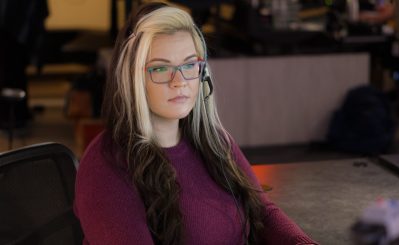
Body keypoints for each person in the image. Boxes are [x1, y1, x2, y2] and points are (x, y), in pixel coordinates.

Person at [74, 2, 318, 245]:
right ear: (133, 78)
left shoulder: (215, 141)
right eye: (160, 68)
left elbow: (263, 212)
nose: (179, 81)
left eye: (189, 64)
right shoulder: (106, 163)